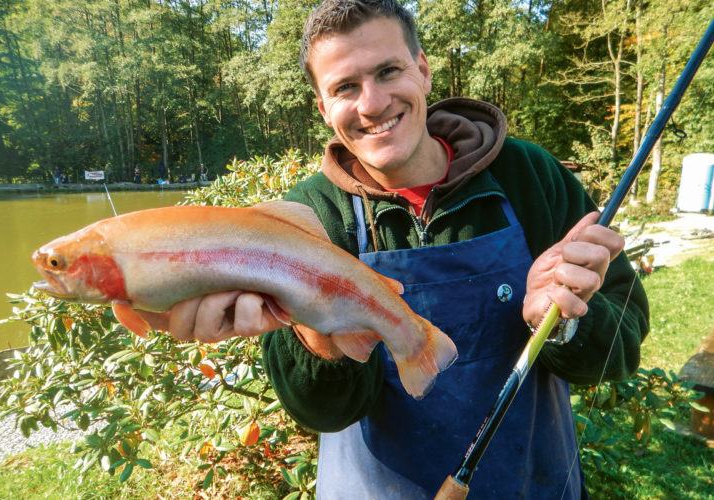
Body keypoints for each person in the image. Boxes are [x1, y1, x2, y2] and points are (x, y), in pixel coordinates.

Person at [140, 1, 649, 498]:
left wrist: (562, 320)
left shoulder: (530, 177)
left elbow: (621, 349)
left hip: (535, 484)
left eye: (388, 71)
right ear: (323, 108)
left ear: (423, 70)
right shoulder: (304, 219)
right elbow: (322, 413)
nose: (372, 103)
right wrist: (321, 336)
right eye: (344, 87)